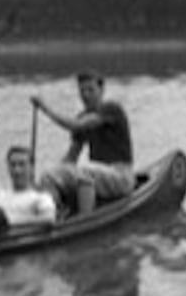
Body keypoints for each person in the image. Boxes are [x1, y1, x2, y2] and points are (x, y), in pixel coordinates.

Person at [31, 70, 134, 216]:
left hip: (120, 175)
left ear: (101, 90)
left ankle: (84, 219)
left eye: (91, 90)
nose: (86, 95)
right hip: (97, 176)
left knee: (84, 171)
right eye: (82, 91)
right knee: (49, 175)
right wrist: (50, 179)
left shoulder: (111, 109)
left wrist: (45, 109)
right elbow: (71, 158)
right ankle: (52, 215)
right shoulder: (82, 117)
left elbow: (77, 125)